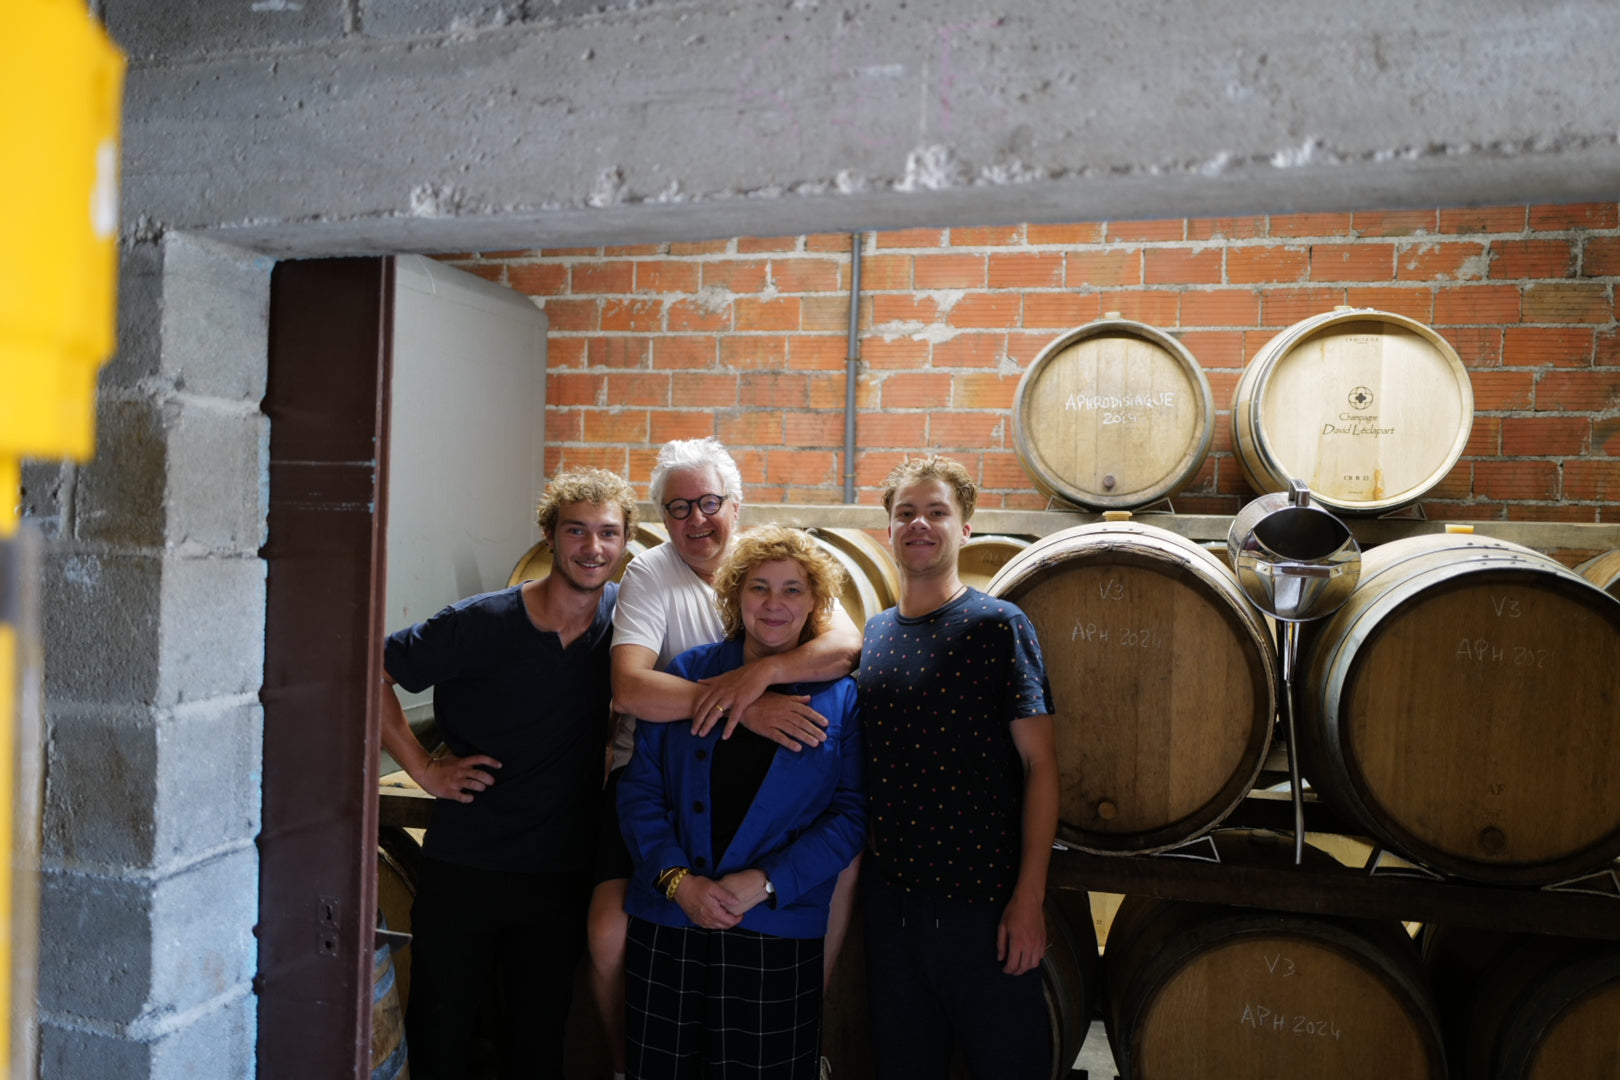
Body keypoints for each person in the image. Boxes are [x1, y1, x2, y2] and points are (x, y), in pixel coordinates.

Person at [589, 437, 863, 1080]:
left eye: (792, 591)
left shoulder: (839, 694)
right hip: (674, 906)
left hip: (776, 921)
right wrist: (681, 883)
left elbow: (850, 814)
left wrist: (766, 885)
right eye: (678, 507)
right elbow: (637, 764)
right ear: (734, 600)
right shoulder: (665, 608)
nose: (774, 602)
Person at [379, 466, 639, 1080]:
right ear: (549, 535)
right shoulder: (479, 622)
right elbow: (371, 670)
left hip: (560, 871)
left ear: (626, 543)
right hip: (467, 863)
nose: (593, 548)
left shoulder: (623, 630)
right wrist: (423, 769)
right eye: (577, 530)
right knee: (442, 1033)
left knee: (538, 1039)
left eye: (608, 533)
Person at [856, 455, 1060, 1080]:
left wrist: (1028, 899)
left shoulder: (998, 627)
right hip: (891, 905)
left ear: (964, 528)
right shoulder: (876, 632)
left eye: (937, 512)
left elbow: (1042, 766)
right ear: (888, 530)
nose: (920, 524)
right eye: (906, 513)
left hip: (980, 907)